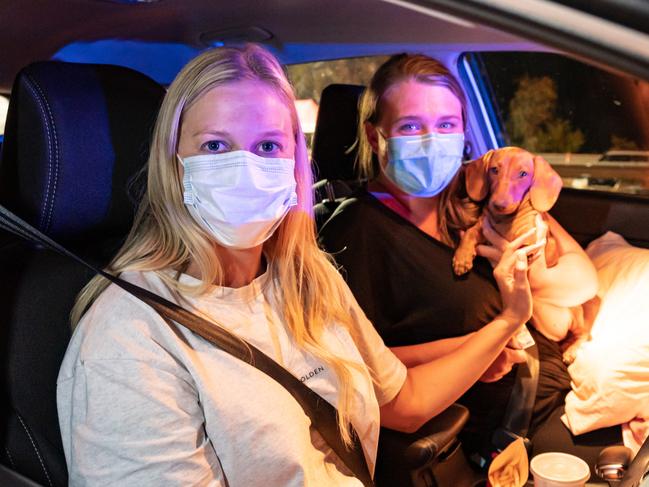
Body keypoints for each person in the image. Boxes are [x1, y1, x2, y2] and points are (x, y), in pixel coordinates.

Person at [56, 45, 538, 486]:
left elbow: (403, 399)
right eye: (215, 146)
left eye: (268, 146)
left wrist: (511, 319)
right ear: (173, 161)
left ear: (295, 164)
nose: (245, 168)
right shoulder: (129, 338)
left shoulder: (309, 278)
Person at [318, 53, 621, 469]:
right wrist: (478, 348)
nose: (431, 140)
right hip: (500, 436)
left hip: (567, 391)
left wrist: (522, 271)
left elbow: (583, 280)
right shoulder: (355, 230)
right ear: (375, 137)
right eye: (410, 126)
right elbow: (359, 367)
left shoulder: (478, 191)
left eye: (446, 125)